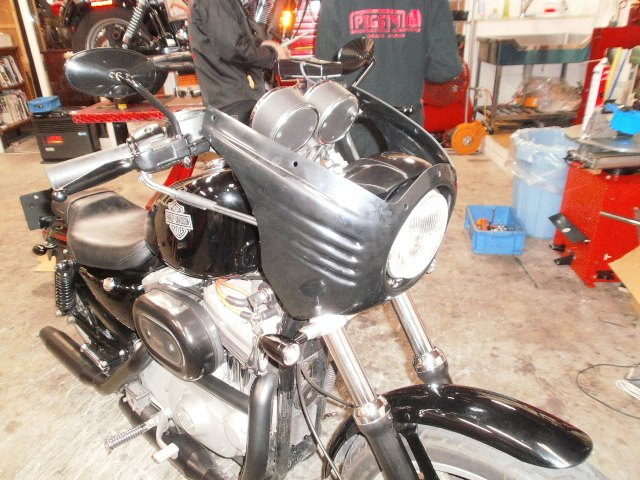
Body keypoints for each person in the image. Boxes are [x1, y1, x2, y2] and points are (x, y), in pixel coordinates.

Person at [315, 0, 462, 127]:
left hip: (354, 125)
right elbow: (446, 68)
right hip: (406, 126)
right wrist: (411, 69)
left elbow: (324, 71)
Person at [189, 0, 290, 124]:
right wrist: (272, 55)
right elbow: (234, 49)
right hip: (233, 98)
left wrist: (265, 45)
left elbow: (237, 37)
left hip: (236, 96)